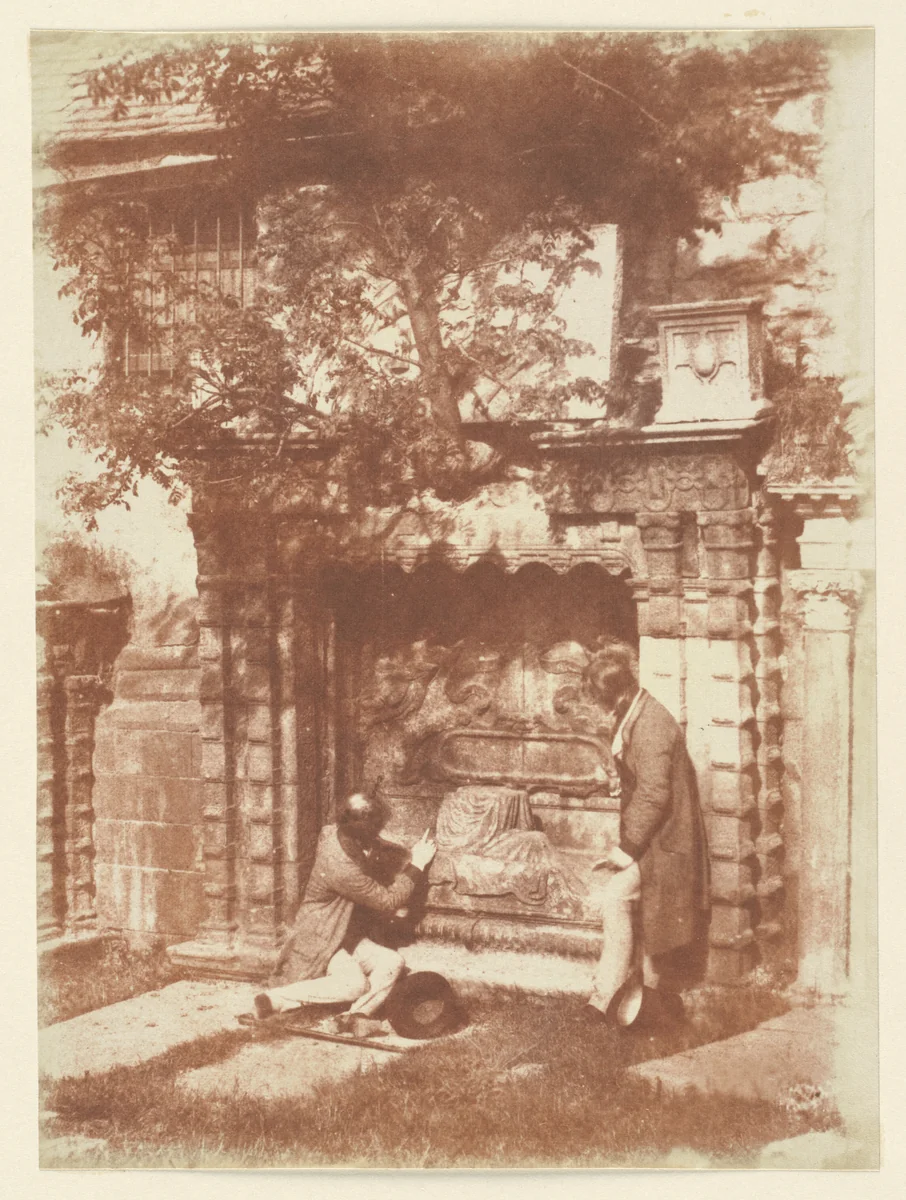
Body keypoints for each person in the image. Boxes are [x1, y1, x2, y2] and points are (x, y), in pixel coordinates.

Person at [583, 640, 709, 1026]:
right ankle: (617, 997)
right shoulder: (638, 712)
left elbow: (656, 793)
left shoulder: (652, 724)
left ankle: (607, 998)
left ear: (615, 693)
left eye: (600, 699)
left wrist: (627, 848)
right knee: (622, 902)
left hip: (667, 843)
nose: (599, 707)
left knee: (616, 896)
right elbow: (645, 779)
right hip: (657, 840)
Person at [251, 793, 436, 1023]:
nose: (378, 832)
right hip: (322, 939)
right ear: (363, 830)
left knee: (393, 962)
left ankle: (356, 1015)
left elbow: (375, 845)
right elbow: (387, 901)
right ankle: (274, 999)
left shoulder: (334, 832)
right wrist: (417, 864)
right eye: (375, 827)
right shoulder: (341, 868)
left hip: (343, 936)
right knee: (355, 984)